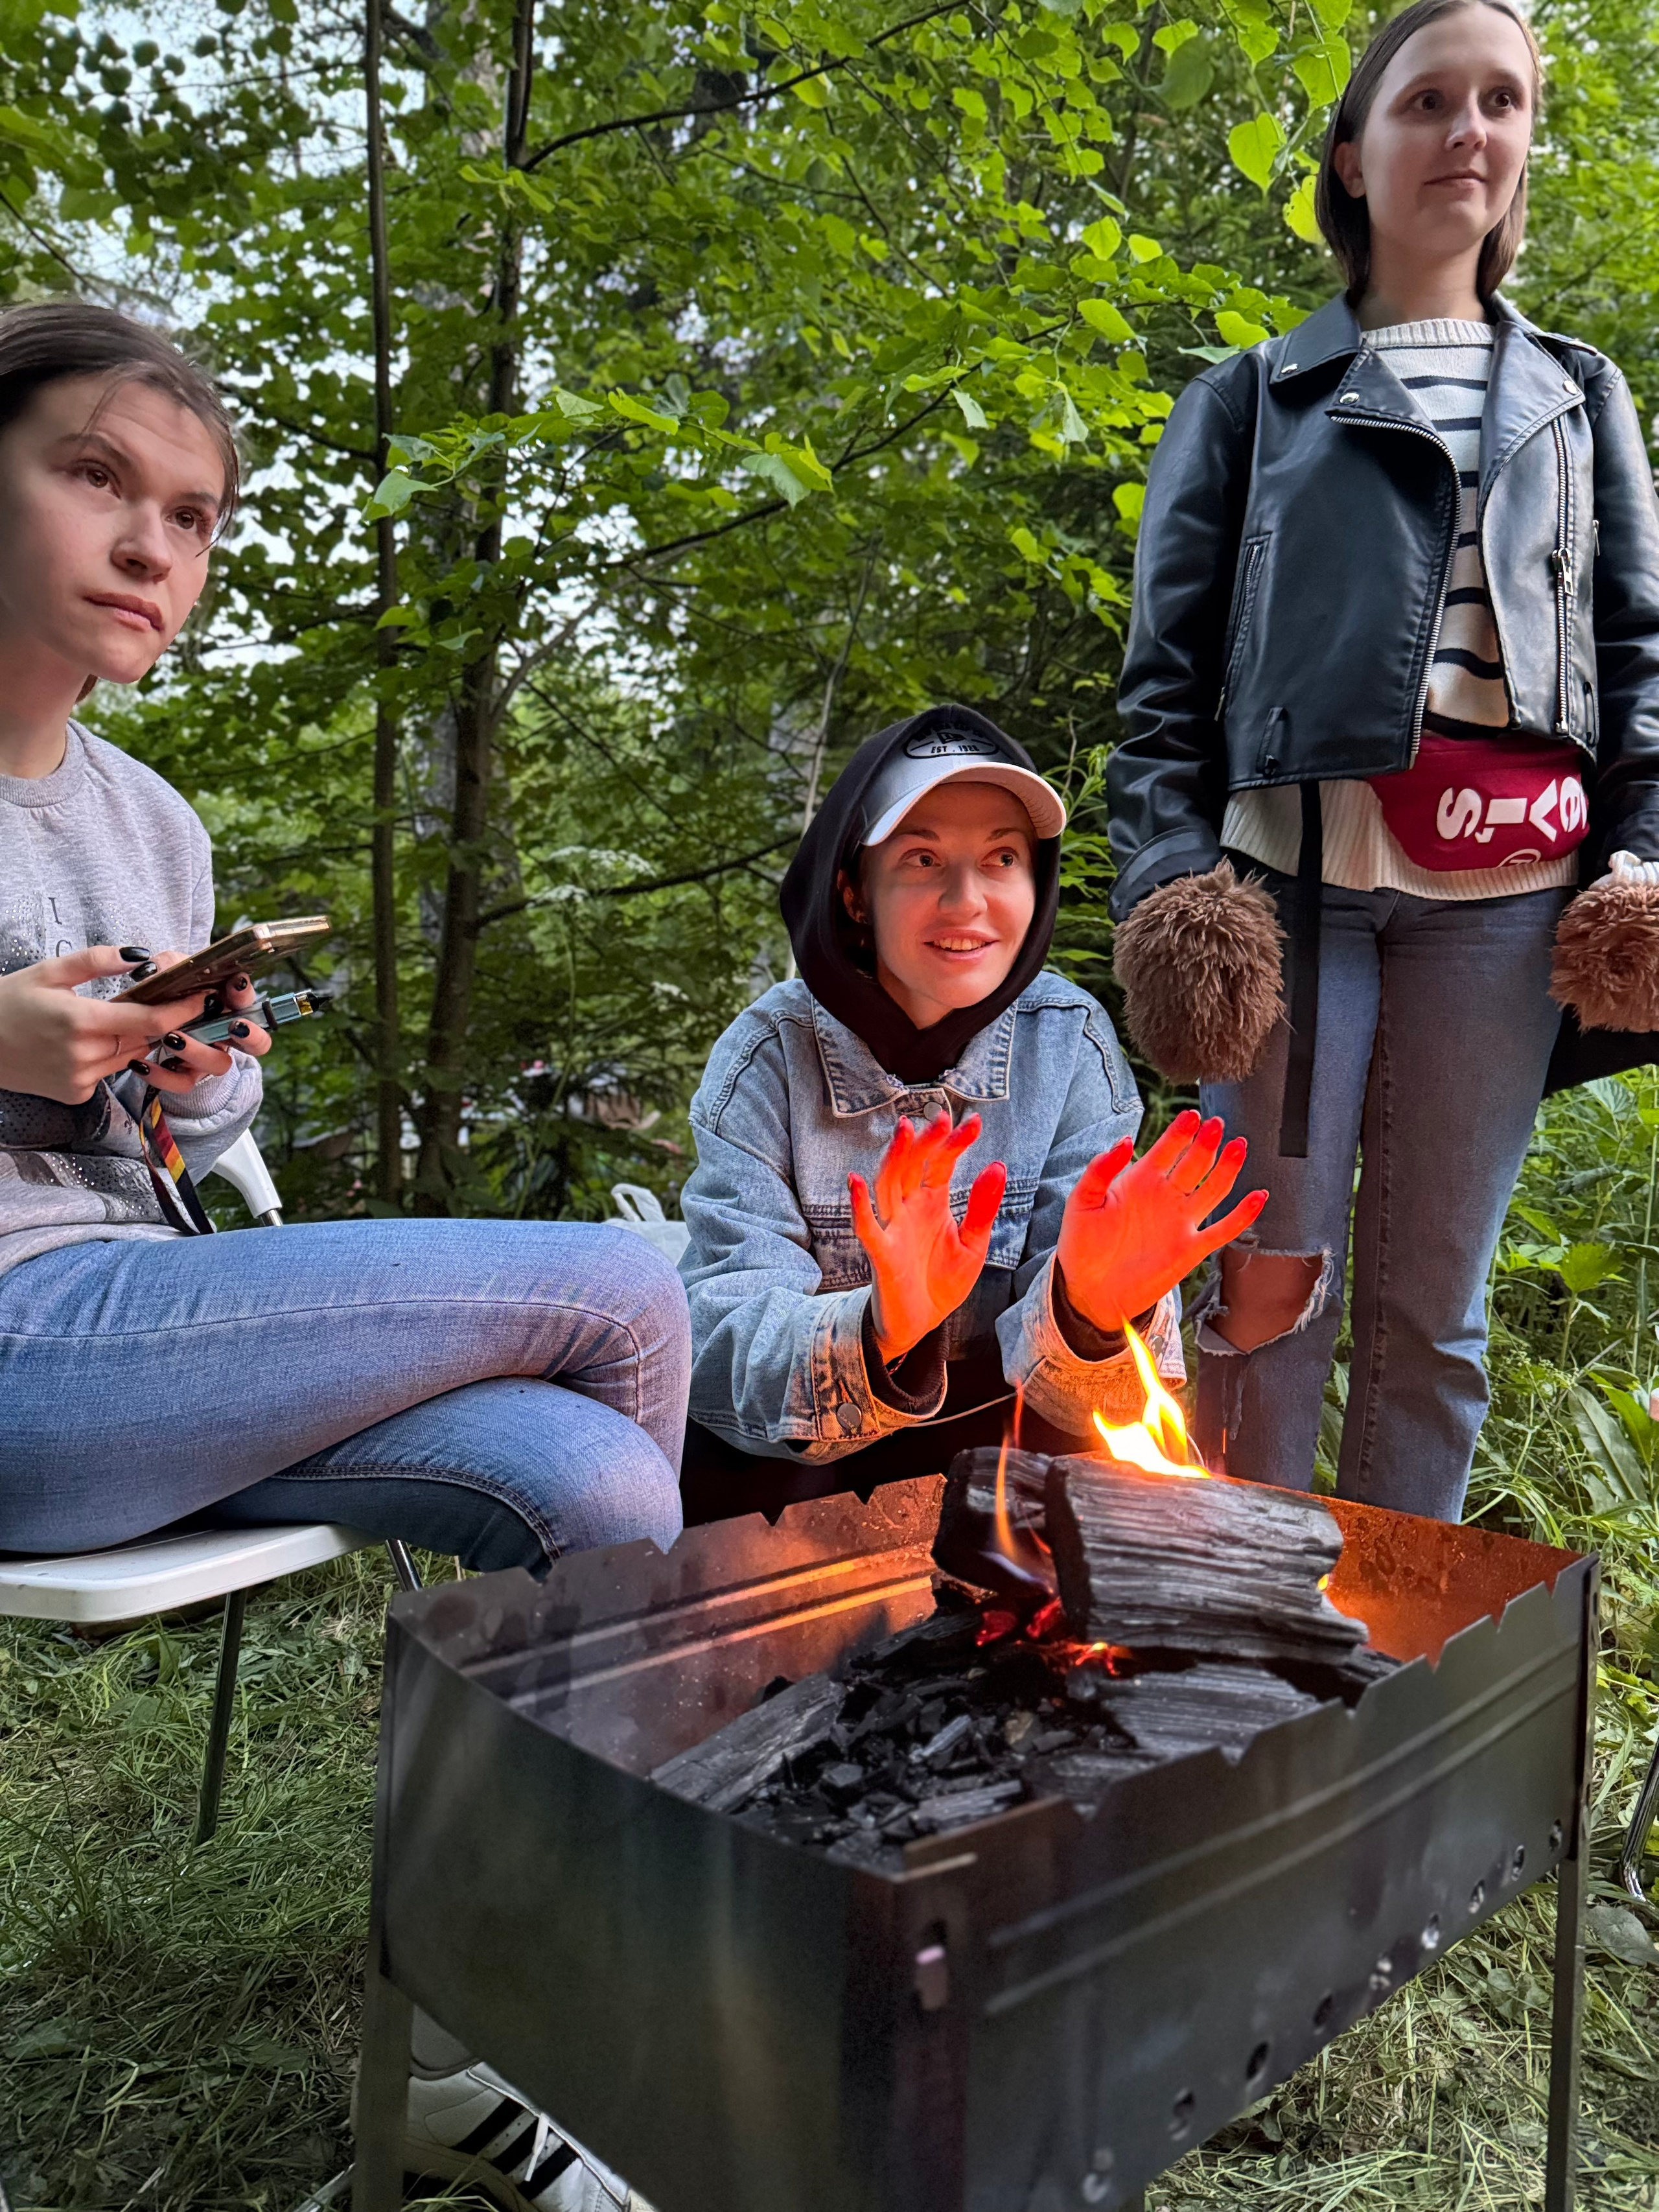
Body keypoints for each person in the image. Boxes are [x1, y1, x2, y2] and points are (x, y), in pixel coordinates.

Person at [0, 301, 683, 2211]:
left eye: (196, 515)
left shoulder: (151, 817)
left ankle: (467, 2071)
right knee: (626, 1285)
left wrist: (203, 1085)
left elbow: (170, 1156)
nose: (154, 543)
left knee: (597, 1482)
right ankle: (649, 1998)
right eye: (96, 476)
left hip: (136, 1330)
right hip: (18, 1360)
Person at [1106, 0, 1659, 1522]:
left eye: (1500, 101)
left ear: (1526, 142)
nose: (1466, 131)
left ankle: (1387, 1656)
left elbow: (1637, 660)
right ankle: (1226, 1636)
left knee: (1432, 1316)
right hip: (1289, 896)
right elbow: (1159, 689)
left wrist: (1647, 859)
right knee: (1260, 1290)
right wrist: (1169, 887)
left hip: (1507, 915)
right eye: (1425, 101)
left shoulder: (1581, 396)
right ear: (1351, 155)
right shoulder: (1245, 399)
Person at [678, 706, 1266, 1518]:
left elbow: (1106, 1406)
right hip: (795, 1499)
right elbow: (717, 1350)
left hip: (1007, 1486)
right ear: (854, 890)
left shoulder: (1071, 1046)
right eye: (922, 858)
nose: (968, 900)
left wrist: (1092, 1312)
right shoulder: (764, 1062)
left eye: (1001, 857)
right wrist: (880, 1329)